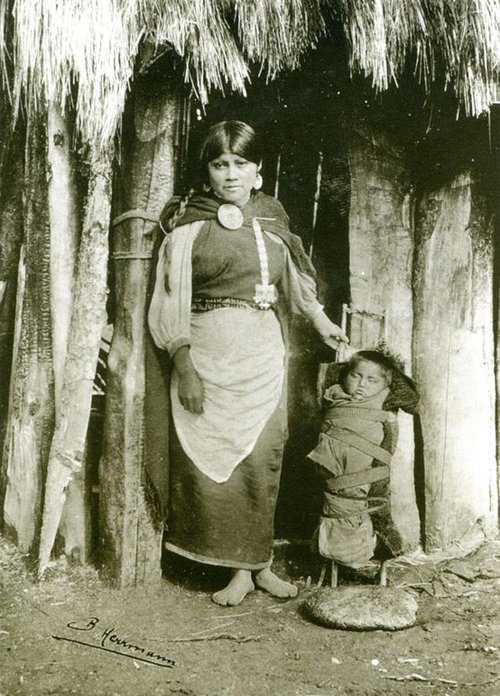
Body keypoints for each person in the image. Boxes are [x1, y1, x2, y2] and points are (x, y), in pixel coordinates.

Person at [148, 120, 347, 606]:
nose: (231, 174)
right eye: (220, 165)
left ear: (258, 170)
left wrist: (322, 322)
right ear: (208, 172)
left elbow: (294, 284)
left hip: (262, 356)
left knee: (261, 456)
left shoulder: (272, 218)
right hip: (206, 353)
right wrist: (183, 364)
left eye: (241, 163)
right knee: (215, 461)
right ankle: (230, 568)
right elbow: (170, 298)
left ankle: (258, 565)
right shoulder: (189, 223)